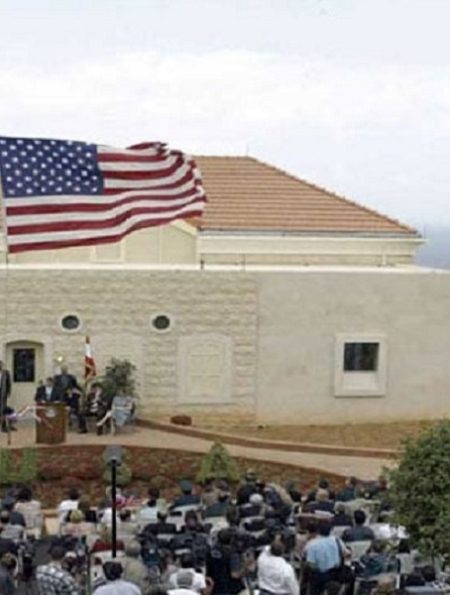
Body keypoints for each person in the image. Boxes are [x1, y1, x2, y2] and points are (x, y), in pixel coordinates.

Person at [0, 361, 13, 433]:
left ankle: (3, 426)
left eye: (1, 365)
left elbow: (9, 383)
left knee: (3, 410)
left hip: (3, 394)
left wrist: (8, 392)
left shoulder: (6, 373)